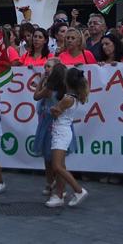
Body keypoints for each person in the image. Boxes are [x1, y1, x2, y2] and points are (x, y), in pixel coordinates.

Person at [47, 67, 89, 208]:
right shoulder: (74, 97)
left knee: (57, 166)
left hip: (61, 132)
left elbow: (55, 112)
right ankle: (59, 195)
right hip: (62, 131)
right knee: (61, 165)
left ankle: (78, 190)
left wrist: (53, 109)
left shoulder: (67, 98)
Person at [33, 59, 67, 200]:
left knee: (56, 160)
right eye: (45, 66)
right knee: (47, 158)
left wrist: (40, 82)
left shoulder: (54, 88)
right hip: (46, 123)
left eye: (49, 67)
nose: (46, 69)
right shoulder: (51, 86)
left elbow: (36, 96)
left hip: (54, 123)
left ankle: (60, 187)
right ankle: (50, 182)